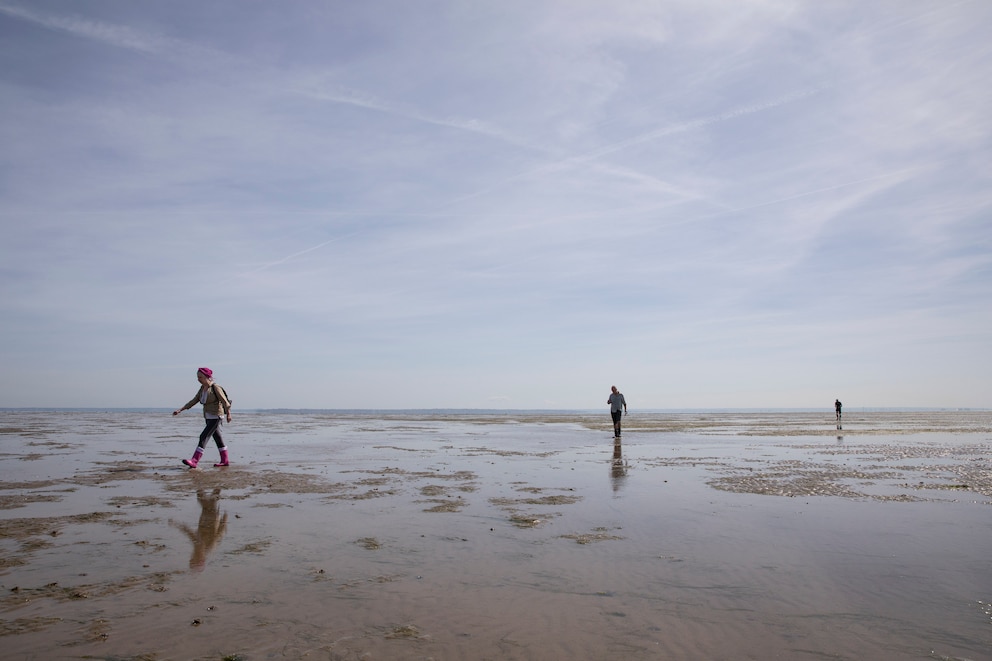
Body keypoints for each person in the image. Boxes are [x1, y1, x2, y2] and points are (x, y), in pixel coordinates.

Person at [173, 367, 232, 468]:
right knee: (218, 439)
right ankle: (225, 461)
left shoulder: (215, 387)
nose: (198, 379)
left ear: (207, 377)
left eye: (200, 377)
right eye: (197, 377)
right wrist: (180, 409)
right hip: (208, 416)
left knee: (203, 436)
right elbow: (194, 400)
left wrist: (229, 414)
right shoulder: (202, 389)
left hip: (216, 416)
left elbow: (225, 401)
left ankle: (194, 461)